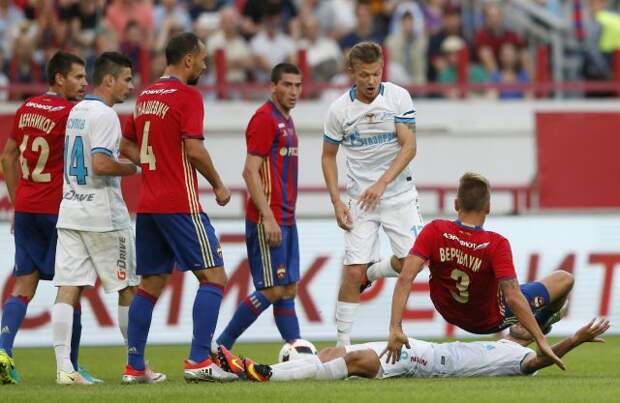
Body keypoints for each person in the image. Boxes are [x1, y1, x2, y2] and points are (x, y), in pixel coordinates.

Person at [120, 32, 236, 384]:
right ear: (187, 60)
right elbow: (194, 150)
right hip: (180, 203)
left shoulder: (145, 96)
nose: (204, 65)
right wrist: (218, 184)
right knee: (214, 277)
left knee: (151, 284)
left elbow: (126, 143)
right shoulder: (188, 96)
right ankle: (199, 360)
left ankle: (134, 367)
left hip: (148, 205)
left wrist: (152, 164)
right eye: (202, 59)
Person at [385, 172, 573, 369]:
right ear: (488, 207)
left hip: (447, 311)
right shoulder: (496, 244)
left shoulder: (434, 230)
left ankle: (528, 327)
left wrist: (395, 328)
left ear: (456, 204)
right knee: (564, 280)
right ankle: (542, 321)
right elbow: (512, 297)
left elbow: (406, 277)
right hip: (487, 321)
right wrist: (540, 339)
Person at [50, 51, 149, 385]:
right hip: (103, 216)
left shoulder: (76, 111)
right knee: (128, 287)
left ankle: (65, 369)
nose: (131, 86)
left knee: (68, 288)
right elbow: (101, 163)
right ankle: (136, 366)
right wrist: (134, 168)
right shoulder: (106, 115)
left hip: (71, 209)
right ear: (109, 80)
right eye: (126, 79)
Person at [321, 41, 423, 347]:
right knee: (353, 272)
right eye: (364, 74)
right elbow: (328, 156)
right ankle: (342, 346)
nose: (371, 81)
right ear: (351, 72)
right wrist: (336, 201)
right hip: (360, 201)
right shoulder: (339, 110)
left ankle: (374, 272)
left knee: (413, 264)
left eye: (376, 73)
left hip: (399, 195)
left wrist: (382, 183)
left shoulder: (398, 97)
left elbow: (409, 146)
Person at [0, 51, 91, 385]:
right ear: (59, 78)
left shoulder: (26, 108)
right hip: (58, 210)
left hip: (26, 208)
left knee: (24, 284)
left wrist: (18, 200)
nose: (85, 84)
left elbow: (7, 158)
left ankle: (2, 351)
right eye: (78, 77)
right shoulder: (72, 114)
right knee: (72, 285)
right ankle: (72, 366)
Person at [216, 63, 302, 355]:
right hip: (268, 218)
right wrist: (267, 216)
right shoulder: (264, 119)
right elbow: (249, 171)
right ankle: (221, 346)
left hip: (287, 217)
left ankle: (297, 350)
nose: (293, 91)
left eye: (297, 85)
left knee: (288, 289)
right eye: (287, 85)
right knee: (271, 289)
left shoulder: (286, 120)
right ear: (273, 86)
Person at [237, 318, 610, 382]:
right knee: (335, 354)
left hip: (432, 362)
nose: (519, 321)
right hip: (424, 346)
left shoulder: (522, 359)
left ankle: (268, 376)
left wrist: (574, 340)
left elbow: (538, 362)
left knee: (357, 361)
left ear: (538, 333)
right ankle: (252, 370)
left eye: (528, 323)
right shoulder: (503, 343)